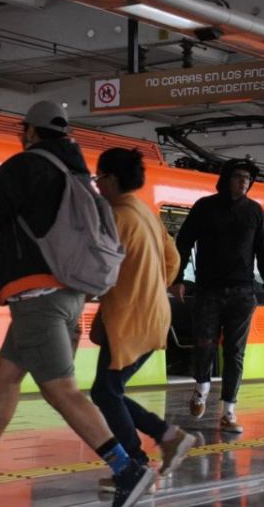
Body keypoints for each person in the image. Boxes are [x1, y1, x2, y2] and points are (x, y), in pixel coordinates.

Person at [0, 101, 153, 507]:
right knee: (7, 374)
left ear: (29, 131)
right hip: (66, 294)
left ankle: (127, 468)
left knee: (62, 391)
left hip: (39, 300)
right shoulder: (79, 174)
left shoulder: (26, 166)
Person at [90, 148, 197, 490]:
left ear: (112, 179)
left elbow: (99, 270)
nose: (97, 186)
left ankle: (138, 464)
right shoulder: (145, 213)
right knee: (109, 390)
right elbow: (173, 258)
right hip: (153, 314)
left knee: (106, 392)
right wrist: (152, 287)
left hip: (128, 319)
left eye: (99, 178)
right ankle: (166, 439)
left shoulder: (116, 216)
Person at [173, 158, 264, 433]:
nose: (244, 182)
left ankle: (229, 412)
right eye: (239, 177)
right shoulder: (205, 207)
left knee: (235, 352)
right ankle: (201, 389)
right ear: (226, 179)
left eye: (248, 178)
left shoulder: (255, 212)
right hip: (208, 289)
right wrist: (178, 278)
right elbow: (183, 242)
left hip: (243, 291)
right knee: (204, 343)